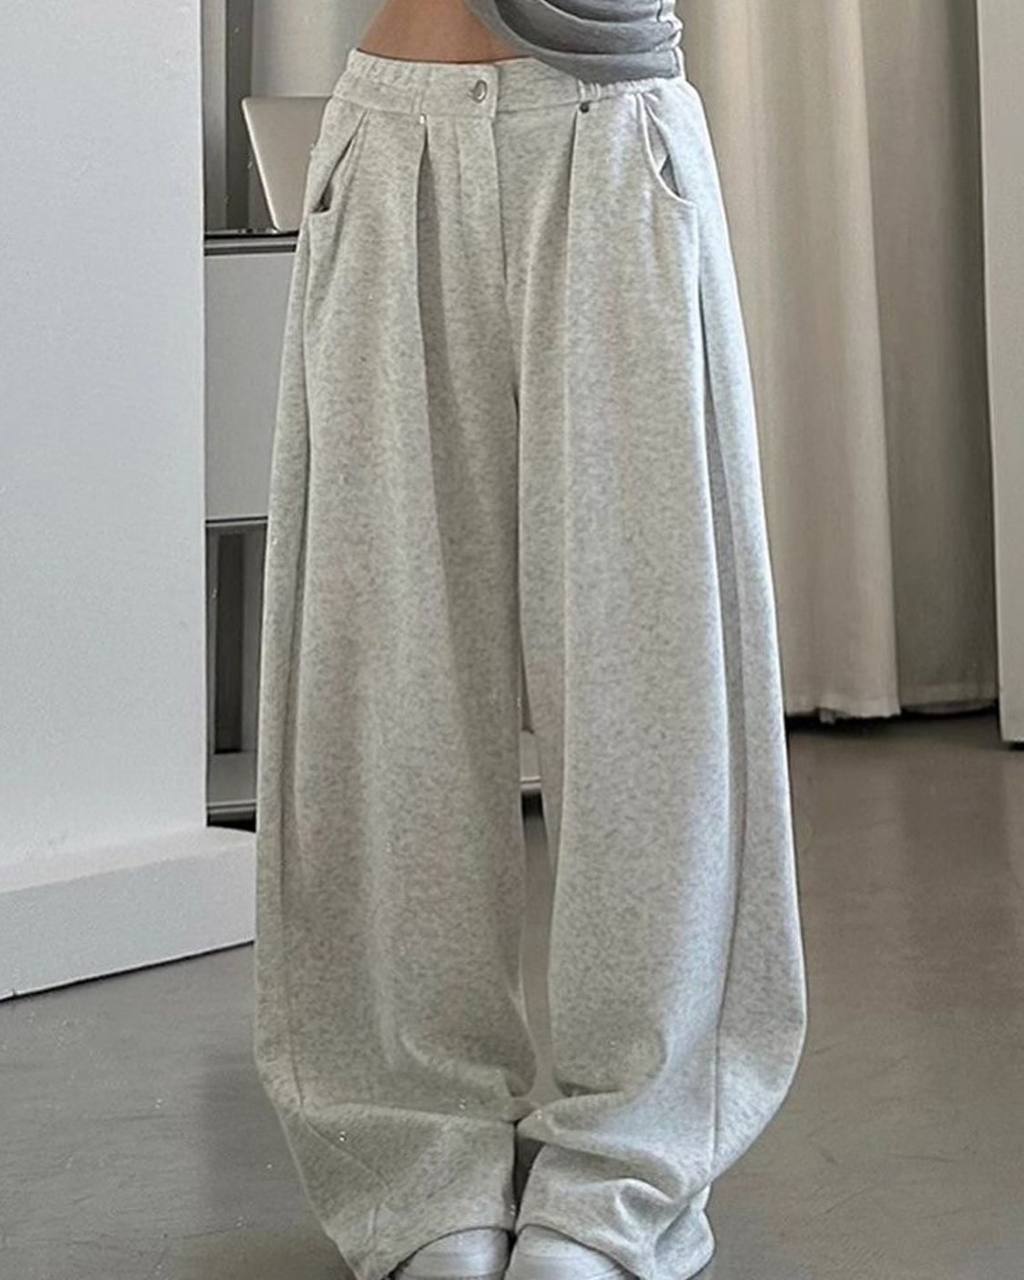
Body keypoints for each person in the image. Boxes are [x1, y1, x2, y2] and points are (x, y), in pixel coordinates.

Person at [252, 3, 809, 1280]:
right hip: (395, 140)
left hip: (609, 141)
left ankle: (623, 1168)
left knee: (650, 693)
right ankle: (415, 1157)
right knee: (384, 689)